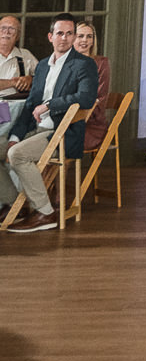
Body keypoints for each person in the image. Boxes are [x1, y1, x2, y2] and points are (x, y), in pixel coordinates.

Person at [0, 13, 98, 233]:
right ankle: (17, 204)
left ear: (73, 37)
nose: (64, 38)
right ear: (50, 37)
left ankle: (45, 212)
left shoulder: (84, 65)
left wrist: (50, 105)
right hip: (34, 129)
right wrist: (14, 138)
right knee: (6, 148)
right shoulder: (43, 65)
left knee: (18, 155)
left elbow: (86, 98)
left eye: (69, 33)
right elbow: (30, 105)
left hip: (60, 133)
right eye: (60, 33)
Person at [72, 20, 112, 154]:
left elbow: (98, 100)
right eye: (80, 36)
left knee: (59, 140)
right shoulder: (65, 63)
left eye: (89, 36)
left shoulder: (101, 63)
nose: (85, 40)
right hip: (65, 119)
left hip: (90, 124)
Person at [0, 14, 37, 143]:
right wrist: (13, 82)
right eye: (3, 28)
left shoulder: (25, 55)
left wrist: (30, 79)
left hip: (20, 107)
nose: (6, 32)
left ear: (18, 35)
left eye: (12, 29)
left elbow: (43, 78)